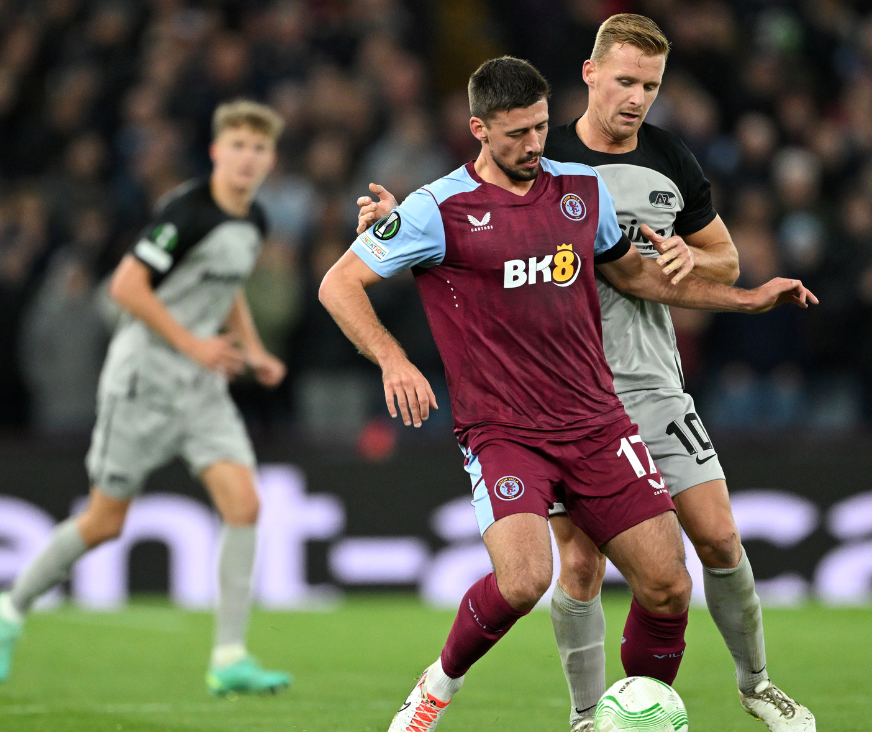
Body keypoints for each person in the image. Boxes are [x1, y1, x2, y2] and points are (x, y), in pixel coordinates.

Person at [324, 56, 815, 732]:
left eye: (540, 128)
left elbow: (639, 279)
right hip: (504, 431)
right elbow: (338, 284)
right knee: (526, 580)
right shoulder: (439, 209)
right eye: (517, 133)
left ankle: (625, 720)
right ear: (478, 129)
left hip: (595, 421)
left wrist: (742, 297)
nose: (533, 146)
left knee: (670, 583)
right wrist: (393, 361)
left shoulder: (581, 189)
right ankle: (437, 687)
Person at [0, 100, 292, 696]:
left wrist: (250, 349)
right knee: (104, 522)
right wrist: (193, 345)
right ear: (216, 152)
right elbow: (126, 286)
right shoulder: (187, 212)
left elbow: (228, 288)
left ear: (271, 158)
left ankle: (228, 656)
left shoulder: (254, 222)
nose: (249, 158)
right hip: (145, 380)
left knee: (244, 505)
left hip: (200, 389)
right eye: (239, 146)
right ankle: (12, 606)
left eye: (260, 148)